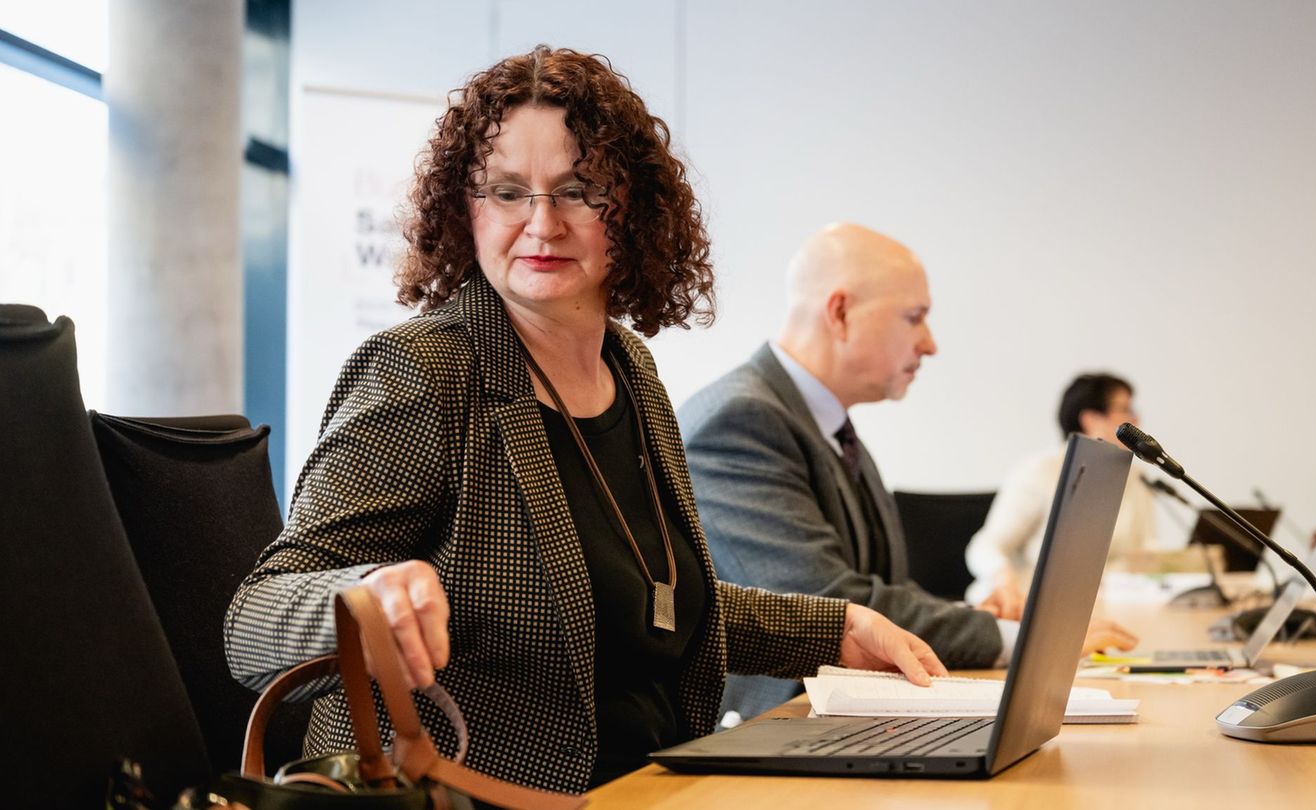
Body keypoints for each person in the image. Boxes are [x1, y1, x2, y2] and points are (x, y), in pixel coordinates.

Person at [223, 47, 945, 795]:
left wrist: (837, 628)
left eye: (578, 191)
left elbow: (648, 601)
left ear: (631, 211)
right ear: (465, 210)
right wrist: (369, 595)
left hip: (655, 779)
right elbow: (253, 620)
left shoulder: (628, 367)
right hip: (484, 794)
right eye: (507, 192)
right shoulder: (424, 370)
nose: (542, 223)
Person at [677, 224, 1136, 723]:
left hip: (847, 715)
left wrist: (972, 617)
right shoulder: (741, 420)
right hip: (782, 723)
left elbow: (877, 589)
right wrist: (1017, 638)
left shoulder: (828, 424)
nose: (930, 344)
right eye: (914, 318)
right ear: (840, 313)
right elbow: (832, 606)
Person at [965, 372, 1164, 608]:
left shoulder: (1135, 476)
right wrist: (1002, 577)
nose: (1136, 419)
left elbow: (1145, 551)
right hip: (1032, 603)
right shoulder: (1041, 470)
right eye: (1125, 410)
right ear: (1090, 419)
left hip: (1107, 604)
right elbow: (985, 546)